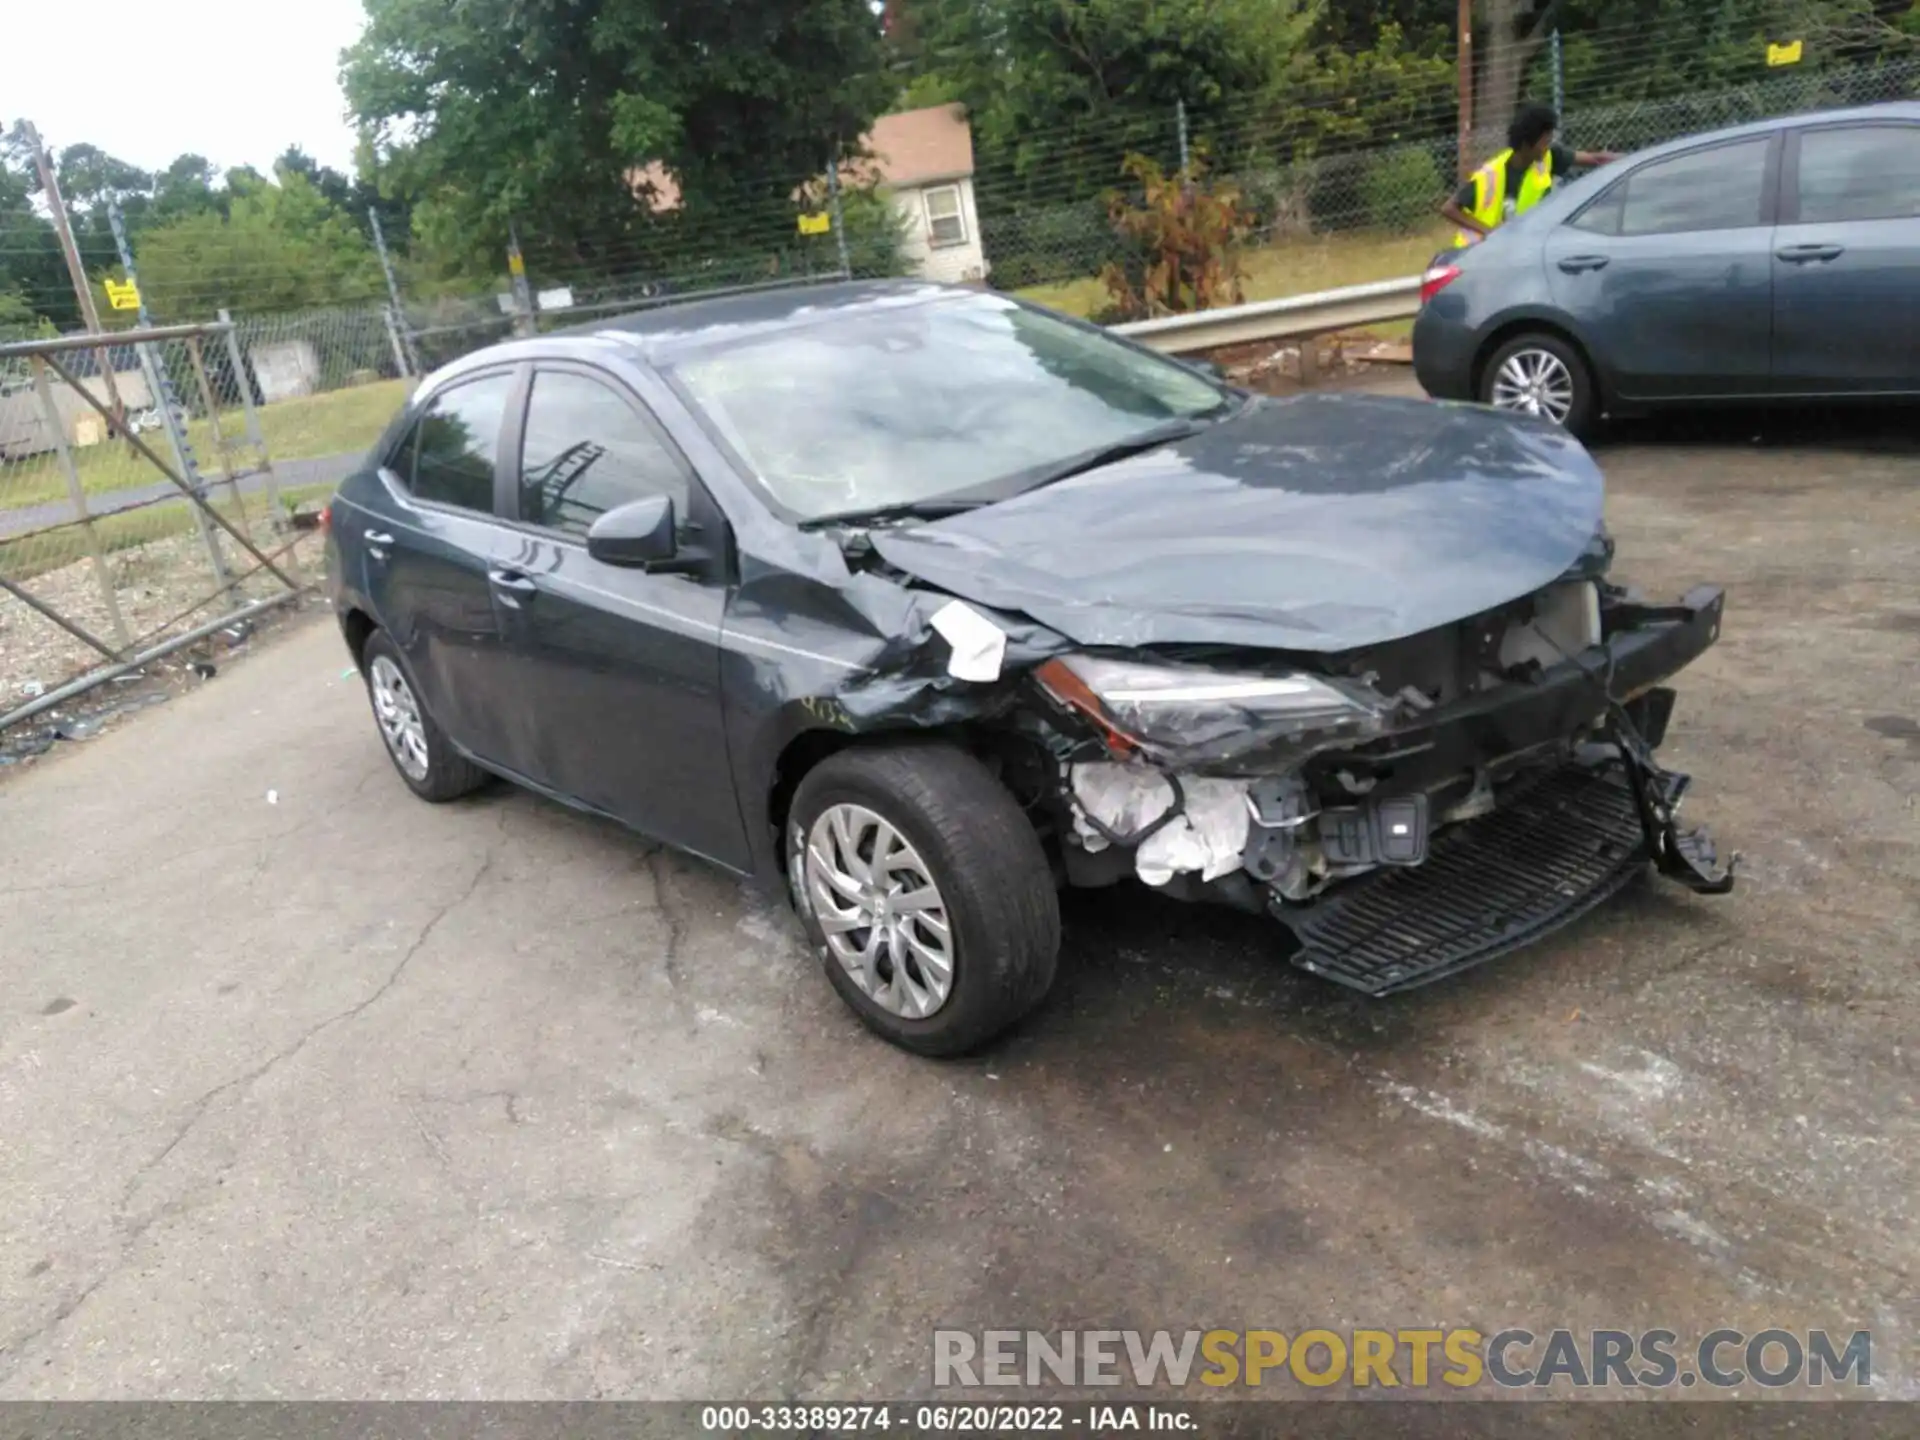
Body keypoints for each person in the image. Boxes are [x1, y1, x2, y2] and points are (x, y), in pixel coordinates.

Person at [1441, 103, 1620, 248]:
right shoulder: (1491, 175)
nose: (1548, 146)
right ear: (1527, 143)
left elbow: (1596, 159)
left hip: (1519, 249)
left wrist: (1636, 160)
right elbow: (1449, 208)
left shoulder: (1548, 157)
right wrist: (1489, 233)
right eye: (1545, 141)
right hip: (1478, 255)